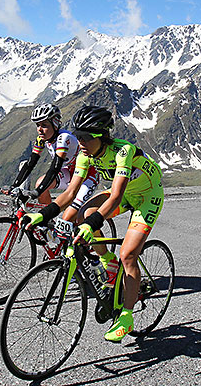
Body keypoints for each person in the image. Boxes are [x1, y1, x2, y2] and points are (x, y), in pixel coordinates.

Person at [22, 105, 164, 343]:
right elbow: (70, 193)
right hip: (127, 193)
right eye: (78, 137)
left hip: (147, 197)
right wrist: (43, 214)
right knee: (82, 214)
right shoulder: (85, 155)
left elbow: (116, 196)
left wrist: (91, 225)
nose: (81, 142)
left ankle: (127, 317)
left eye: (86, 137)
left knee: (128, 254)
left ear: (102, 136)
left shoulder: (123, 151)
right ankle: (108, 262)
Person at [9, 103, 98, 221]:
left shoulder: (64, 137)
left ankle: (96, 236)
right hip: (70, 172)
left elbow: (55, 167)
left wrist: (38, 191)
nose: (40, 130)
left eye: (44, 125)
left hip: (88, 175)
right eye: (38, 125)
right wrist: (14, 186)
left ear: (55, 124)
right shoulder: (41, 139)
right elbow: (31, 163)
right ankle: (48, 221)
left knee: (72, 217)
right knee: (40, 182)